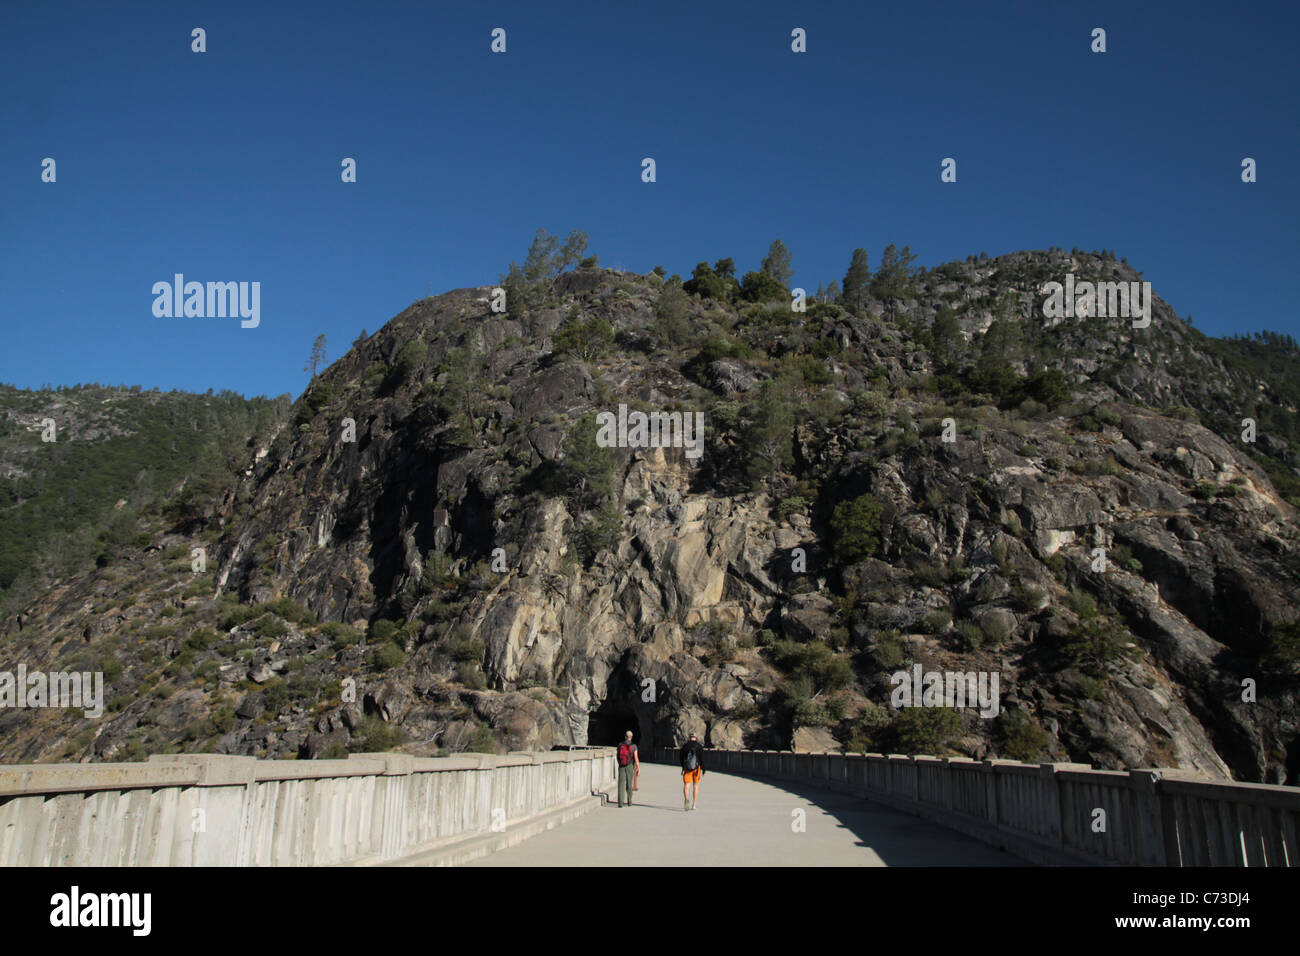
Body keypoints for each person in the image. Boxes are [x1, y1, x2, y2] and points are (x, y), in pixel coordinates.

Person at [680, 733, 705, 811]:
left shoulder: (685, 746)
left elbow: (680, 757)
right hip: (697, 768)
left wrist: (683, 766)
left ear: (689, 737)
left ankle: (686, 799)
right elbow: (702, 759)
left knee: (687, 785)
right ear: (696, 738)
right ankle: (694, 805)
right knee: (695, 785)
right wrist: (704, 769)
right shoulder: (699, 746)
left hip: (687, 768)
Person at [616, 730, 639, 807]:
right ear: (631, 737)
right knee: (629, 783)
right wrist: (638, 767)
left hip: (622, 766)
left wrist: (620, 763)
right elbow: (636, 758)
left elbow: (617, 756)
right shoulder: (634, 746)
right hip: (630, 766)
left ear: (625, 736)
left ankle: (620, 802)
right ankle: (629, 801)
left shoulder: (620, 745)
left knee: (621, 783)